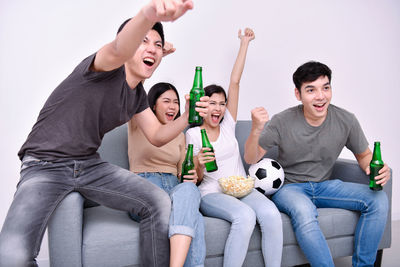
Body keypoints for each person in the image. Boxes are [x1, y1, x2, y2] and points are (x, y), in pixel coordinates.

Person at [0, 1, 211, 266]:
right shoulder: (105, 67)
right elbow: (119, 47)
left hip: (88, 164)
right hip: (44, 164)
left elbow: (157, 135)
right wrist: (149, 15)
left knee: (158, 202)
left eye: (158, 45)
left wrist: (186, 116)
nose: (152, 49)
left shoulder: (136, 95)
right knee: (12, 257)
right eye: (143, 41)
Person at [244, 61, 390, 267]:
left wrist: (377, 167)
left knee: (378, 199)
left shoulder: (346, 120)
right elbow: (251, 158)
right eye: (311, 90)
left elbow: (364, 155)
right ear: (298, 94)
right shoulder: (282, 121)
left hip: (325, 186)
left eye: (326, 87)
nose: (320, 96)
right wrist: (256, 129)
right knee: (304, 212)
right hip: (290, 189)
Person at [185, 28, 283, 267]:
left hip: (242, 187)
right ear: (202, 107)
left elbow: (235, 82)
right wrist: (198, 162)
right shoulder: (193, 133)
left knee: (271, 214)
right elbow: (194, 180)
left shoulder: (228, 123)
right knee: (245, 216)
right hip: (211, 193)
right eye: (211, 104)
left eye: (222, 103)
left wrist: (244, 43)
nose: (217, 108)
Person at [128, 82, 205, 267]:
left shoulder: (179, 134)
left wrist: (195, 173)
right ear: (152, 105)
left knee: (188, 193)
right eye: (166, 101)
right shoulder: (138, 122)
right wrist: (155, 55)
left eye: (176, 102)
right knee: (194, 217)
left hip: (173, 187)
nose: (173, 106)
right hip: (145, 187)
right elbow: (131, 87)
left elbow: (183, 173)